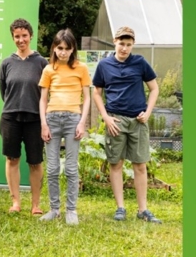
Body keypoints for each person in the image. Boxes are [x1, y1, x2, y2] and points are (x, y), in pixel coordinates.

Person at [92, 26, 161, 223]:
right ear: (115, 41)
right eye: (121, 44)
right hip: (116, 121)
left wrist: (148, 112)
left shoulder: (140, 63)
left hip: (138, 122)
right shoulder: (104, 65)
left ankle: (143, 210)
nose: (124, 48)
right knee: (116, 164)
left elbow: (154, 89)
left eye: (128, 45)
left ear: (133, 45)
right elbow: (97, 93)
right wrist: (105, 117)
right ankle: (120, 208)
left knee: (140, 165)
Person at [38, 28, 91, 225]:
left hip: (73, 121)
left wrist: (82, 122)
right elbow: (43, 99)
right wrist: (44, 123)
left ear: (72, 49)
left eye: (67, 49)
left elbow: (87, 99)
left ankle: (71, 210)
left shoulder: (81, 68)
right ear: (54, 48)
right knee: (51, 168)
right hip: (52, 119)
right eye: (59, 48)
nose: (62, 52)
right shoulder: (48, 69)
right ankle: (54, 209)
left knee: (70, 168)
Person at [0, 18, 48, 215]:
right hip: (10, 117)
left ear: (31, 36)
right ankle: (15, 202)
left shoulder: (42, 62)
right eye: (17, 37)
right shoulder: (6, 63)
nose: (21, 40)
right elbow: (4, 92)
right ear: (13, 38)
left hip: (36, 119)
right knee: (12, 159)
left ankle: (36, 204)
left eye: (24, 36)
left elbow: (46, 93)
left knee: (35, 161)